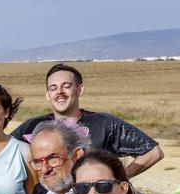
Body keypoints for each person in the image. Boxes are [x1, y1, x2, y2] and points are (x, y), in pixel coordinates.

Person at [10, 63, 164, 177]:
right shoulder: (33, 127)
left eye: (66, 86)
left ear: (79, 89)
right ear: (48, 95)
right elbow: (2, 150)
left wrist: (118, 179)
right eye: (53, 88)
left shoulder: (103, 123)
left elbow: (153, 152)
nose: (60, 92)